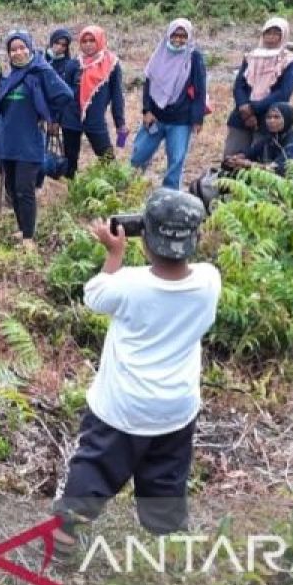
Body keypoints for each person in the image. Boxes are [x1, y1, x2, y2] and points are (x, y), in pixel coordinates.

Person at [53, 189, 220, 547]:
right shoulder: (209, 281)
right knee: (165, 487)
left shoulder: (129, 285)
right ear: (195, 239)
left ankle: (64, 541)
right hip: (176, 410)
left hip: (122, 409)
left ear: (144, 237)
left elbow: (95, 295)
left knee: (93, 472)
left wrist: (114, 254)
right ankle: (165, 556)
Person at [0, 30, 73, 246]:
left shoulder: (40, 72)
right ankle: (22, 230)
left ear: (30, 49)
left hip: (29, 142)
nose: (18, 52)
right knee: (12, 189)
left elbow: (65, 95)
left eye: (22, 48)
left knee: (24, 190)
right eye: (13, 49)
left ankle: (29, 237)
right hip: (7, 142)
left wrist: (48, 114)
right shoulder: (10, 77)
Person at [131, 19, 208, 190]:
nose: (178, 40)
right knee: (139, 154)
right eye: (175, 35)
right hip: (156, 116)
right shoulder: (160, 53)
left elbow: (200, 89)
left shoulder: (193, 57)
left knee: (176, 160)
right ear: (168, 35)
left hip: (181, 119)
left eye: (183, 36)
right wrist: (147, 111)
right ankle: (130, 187)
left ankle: (170, 194)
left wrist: (197, 119)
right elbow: (149, 83)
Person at [224, 17, 293, 158]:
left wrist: (253, 109)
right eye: (268, 33)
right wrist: (244, 108)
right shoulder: (251, 56)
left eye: (276, 33)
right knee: (232, 158)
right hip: (242, 116)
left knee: (260, 161)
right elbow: (239, 86)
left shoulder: (288, 60)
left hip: (270, 118)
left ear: (283, 36)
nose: (271, 37)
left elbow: (283, 93)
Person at [60, 27, 126, 179]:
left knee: (107, 158)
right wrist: (57, 119)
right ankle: (73, 193)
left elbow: (117, 95)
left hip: (95, 119)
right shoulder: (73, 64)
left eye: (92, 41)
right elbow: (63, 94)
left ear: (100, 41)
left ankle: (113, 192)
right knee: (70, 159)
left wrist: (120, 122)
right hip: (71, 119)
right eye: (84, 41)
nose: (88, 45)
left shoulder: (111, 65)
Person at [223, 102, 293, 176]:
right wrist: (234, 159)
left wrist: (246, 164)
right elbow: (250, 152)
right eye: (268, 117)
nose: (271, 121)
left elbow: (275, 170)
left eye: (276, 117)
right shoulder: (270, 140)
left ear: (287, 119)